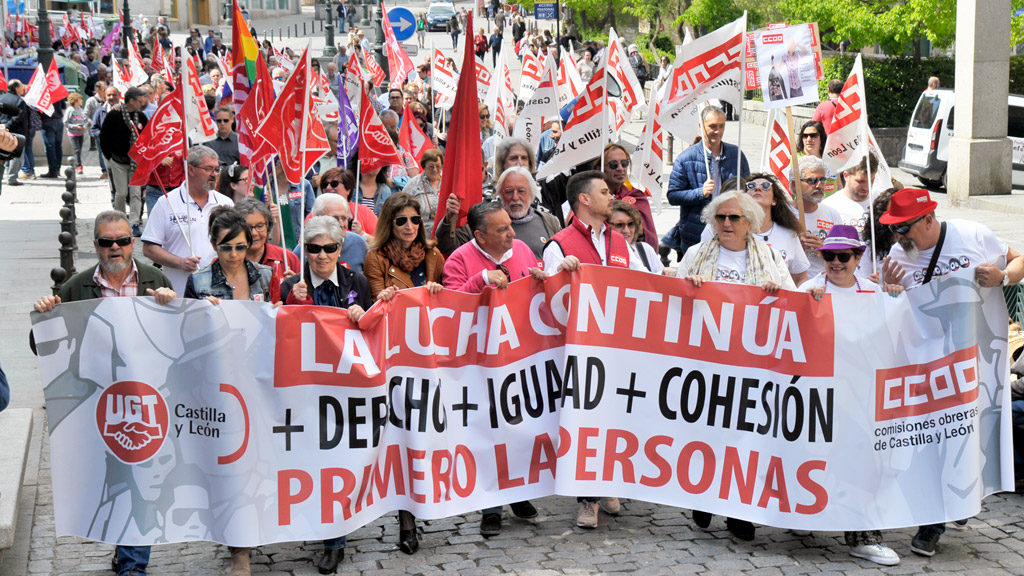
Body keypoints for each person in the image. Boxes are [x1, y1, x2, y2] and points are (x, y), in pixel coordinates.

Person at [876, 187, 1024, 556]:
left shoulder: (973, 234)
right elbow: (892, 315)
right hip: (926, 367)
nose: (899, 236)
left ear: (928, 218)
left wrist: (1003, 276)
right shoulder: (897, 256)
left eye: (904, 227)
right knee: (934, 441)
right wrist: (888, 292)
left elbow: (1019, 260)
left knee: (962, 440)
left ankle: (947, 510)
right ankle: (938, 517)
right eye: (894, 229)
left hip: (973, 362)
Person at [33, 210, 177, 576]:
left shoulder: (154, 279)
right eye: (106, 242)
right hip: (98, 402)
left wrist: (172, 305)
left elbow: (180, 339)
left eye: (123, 240)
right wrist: (47, 316)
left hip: (145, 398)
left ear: (133, 241)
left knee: (138, 469)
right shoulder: (77, 286)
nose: (116, 248)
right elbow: (42, 346)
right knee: (111, 476)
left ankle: (133, 564)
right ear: (95, 245)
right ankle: (122, 542)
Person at [797, 224, 904, 566]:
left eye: (844, 256)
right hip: (818, 394)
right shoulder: (809, 289)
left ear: (858, 258)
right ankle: (801, 512)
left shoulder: (874, 294)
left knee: (864, 462)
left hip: (862, 396)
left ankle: (864, 534)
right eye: (829, 255)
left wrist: (895, 297)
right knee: (812, 458)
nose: (836, 262)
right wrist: (802, 309)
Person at [540, 170, 639, 528]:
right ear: (583, 199)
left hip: (619, 348)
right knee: (586, 423)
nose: (610, 195)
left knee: (615, 420)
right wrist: (560, 275)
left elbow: (642, 283)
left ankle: (607, 482)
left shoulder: (620, 240)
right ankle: (587, 499)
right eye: (602, 191)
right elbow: (547, 301)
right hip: (580, 354)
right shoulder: (559, 245)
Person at [440, 201, 545, 535]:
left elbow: (537, 286)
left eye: (510, 226)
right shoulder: (459, 260)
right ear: (480, 236)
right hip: (480, 362)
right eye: (502, 229)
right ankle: (491, 508)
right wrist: (480, 280)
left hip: (519, 357)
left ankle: (517, 493)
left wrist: (544, 278)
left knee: (518, 428)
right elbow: (450, 309)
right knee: (488, 432)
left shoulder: (523, 251)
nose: (512, 232)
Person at [363, 193, 445, 555]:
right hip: (396, 359)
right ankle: (406, 521)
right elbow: (379, 304)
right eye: (401, 221)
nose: (409, 226)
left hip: (431, 356)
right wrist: (397, 297)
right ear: (388, 224)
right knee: (401, 438)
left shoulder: (433, 256)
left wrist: (436, 292)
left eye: (414, 220)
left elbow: (448, 302)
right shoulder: (375, 258)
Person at [142, 146, 235, 295]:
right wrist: (180, 262)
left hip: (220, 292)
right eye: (208, 169)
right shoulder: (166, 203)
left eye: (217, 169)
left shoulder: (226, 203)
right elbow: (149, 248)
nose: (214, 174)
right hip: (180, 292)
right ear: (191, 170)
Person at [665, 105, 750, 258]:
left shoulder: (736, 155)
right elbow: (673, 196)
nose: (717, 131)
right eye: (712, 126)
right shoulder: (685, 158)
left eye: (721, 126)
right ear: (701, 126)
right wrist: (700, 192)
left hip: (731, 232)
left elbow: (747, 190)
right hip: (696, 234)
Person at [702, 174, 809, 286]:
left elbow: (800, 278)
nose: (757, 188)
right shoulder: (719, 226)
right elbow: (701, 262)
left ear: (774, 200)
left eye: (766, 186)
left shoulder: (787, 237)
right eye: (751, 186)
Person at [101, 86, 149, 236]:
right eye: (140, 101)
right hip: (118, 161)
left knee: (136, 193)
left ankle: (134, 222)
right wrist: (109, 157)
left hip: (136, 162)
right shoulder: (114, 115)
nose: (142, 104)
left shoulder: (141, 117)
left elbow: (147, 137)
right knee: (121, 193)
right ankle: (119, 221)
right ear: (132, 101)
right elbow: (104, 137)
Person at [796, 155, 843, 279]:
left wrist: (824, 250)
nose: (819, 185)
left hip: (824, 284)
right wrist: (795, 246)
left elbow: (844, 254)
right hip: (792, 286)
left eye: (822, 180)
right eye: (812, 180)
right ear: (795, 184)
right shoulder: (782, 214)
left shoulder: (832, 214)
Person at [603, 143, 657, 250]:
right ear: (600, 167)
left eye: (624, 163)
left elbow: (649, 238)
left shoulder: (637, 196)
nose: (620, 168)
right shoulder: (592, 197)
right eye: (613, 164)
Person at [235, 197, 299, 282]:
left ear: (268, 226)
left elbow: (306, 294)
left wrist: (293, 286)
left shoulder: (288, 259)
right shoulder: (226, 260)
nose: (254, 233)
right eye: (247, 227)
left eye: (260, 226)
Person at [308, 193, 369, 274]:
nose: (341, 224)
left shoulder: (358, 243)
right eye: (334, 219)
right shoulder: (305, 249)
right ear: (317, 219)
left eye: (344, 218)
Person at [822, 153, 878, 236]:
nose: (866, 187)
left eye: (871, 181)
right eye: (860, 181)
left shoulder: (880, 203)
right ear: (846, 176)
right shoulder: (828, 206)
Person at [610, 199, 665, 274]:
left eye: (631, 224)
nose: (627, 231)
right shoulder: (602, 253)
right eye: (619, 225)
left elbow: (662, 280)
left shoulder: (644, 249)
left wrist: (665, 273)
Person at [403, 149, 443, 232]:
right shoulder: (413, 184)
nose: (435, 170)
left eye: (438, 166)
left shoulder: (448, 182)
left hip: (445, 232)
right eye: (431, 166)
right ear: (424, 166)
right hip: (420, 232)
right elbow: (401, 206)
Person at [795, 120, 838, 196]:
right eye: (805, 136)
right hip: (804, 207)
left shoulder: (831, 158)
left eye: (813, 135)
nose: (808, 139)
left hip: (830, 206)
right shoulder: (794, 159)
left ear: (821, 137)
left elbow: (838, 185)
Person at [63, 92, 88, 174]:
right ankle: (79, 167)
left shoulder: (81, 110)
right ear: (76, 100)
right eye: (80, 99)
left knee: (79, 150)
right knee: (76, 150)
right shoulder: (70, 110)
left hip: (81, 133)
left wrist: (85, 125)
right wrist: (75, 126)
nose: (82, 101)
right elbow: (65, 122)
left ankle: (75, 164)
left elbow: (85, 120)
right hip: (73, 133)